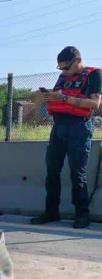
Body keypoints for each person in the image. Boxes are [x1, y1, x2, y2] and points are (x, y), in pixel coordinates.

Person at [31, 46, 100, 229]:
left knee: (78, 173)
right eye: (60, 68)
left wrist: (63, 99)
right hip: (59, 127)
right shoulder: (63, 77)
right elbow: (56, 97)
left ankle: (82, 215)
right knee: (52, 170)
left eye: (66, 68)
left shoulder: (94, 75)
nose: (63, 71)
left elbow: (94, 103)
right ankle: (51, 212)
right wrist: (45, 97)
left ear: (77, 60)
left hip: (79, 126)